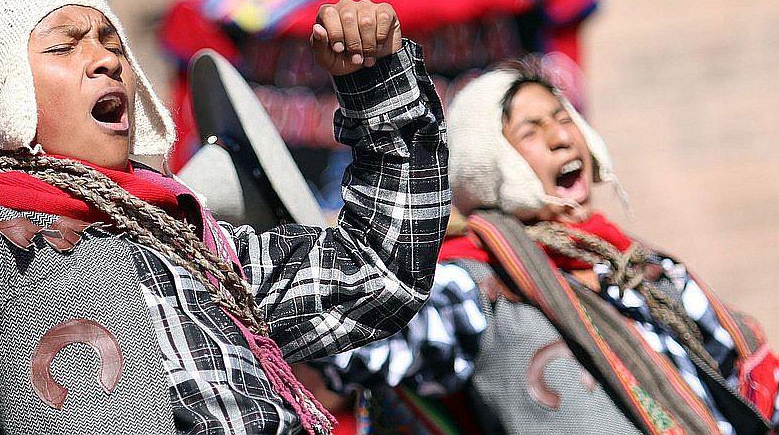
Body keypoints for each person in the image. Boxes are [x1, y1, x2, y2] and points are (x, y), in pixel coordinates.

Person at [0, 0, 449, 434]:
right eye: (67, 45)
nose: (107, 57)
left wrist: (379, 84)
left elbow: (379, 271)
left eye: (112, 41)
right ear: (5, 92)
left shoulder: (199, 245)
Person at [317, 57, 779, 435]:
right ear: (487, 162)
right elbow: (360, 342)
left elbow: (749, 378)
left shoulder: (643, 271)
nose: (562, 138)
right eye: (531, 132)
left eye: (563, 119)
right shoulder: (476, 285)